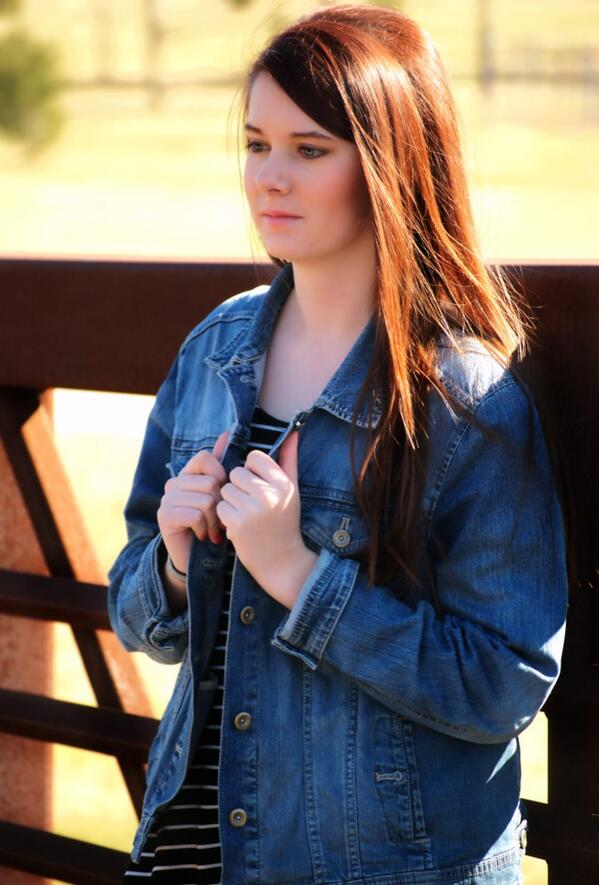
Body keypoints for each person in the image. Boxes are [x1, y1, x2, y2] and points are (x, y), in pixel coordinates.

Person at [108, 5, 569, 884]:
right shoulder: (215, 348)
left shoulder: (461, 396)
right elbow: (138, 611)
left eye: (309, 150)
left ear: (391, 166)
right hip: (190, 853)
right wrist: (170, 565)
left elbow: (501, 682)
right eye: (255, 144)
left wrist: (300, 577)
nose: (268, 178)